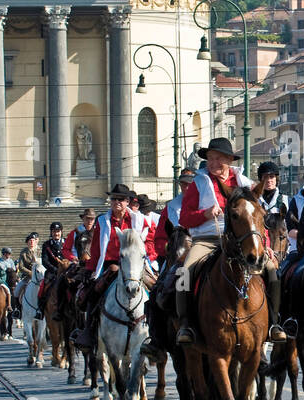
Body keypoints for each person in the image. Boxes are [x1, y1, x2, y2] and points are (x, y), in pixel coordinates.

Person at [175, 138, 285, 346]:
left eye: (218, 159)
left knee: (271, 269)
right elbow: (184, 219)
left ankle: (273, 323)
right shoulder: (198, 183)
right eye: (210, 159)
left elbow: (259, 219)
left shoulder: (244, 184)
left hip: (242, 242)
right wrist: (205, 213)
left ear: (228, 160)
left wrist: (266, 245)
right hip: (207, 240)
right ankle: (186, 324)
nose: (213, 163)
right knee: (185, 271)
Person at [72, 185, 149, 349]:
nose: (116, 202)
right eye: (113, 199)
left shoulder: (139, 219)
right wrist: (90, 269)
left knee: (157, 289)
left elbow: (149, 241)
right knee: (93, 292)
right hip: (111, 264)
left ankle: (156, 335)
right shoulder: (102, 221)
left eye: (120, 199)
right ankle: (89, 331)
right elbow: (96, 248)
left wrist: (149, 260)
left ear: (127, 201)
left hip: (135, 264)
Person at [154, 168, 197, 261]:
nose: (186, 188)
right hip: (175, 257)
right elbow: (159, 239)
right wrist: (170, 248)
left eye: (190, 184)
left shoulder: (206, 204)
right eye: (183, 184)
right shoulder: (170, 208)